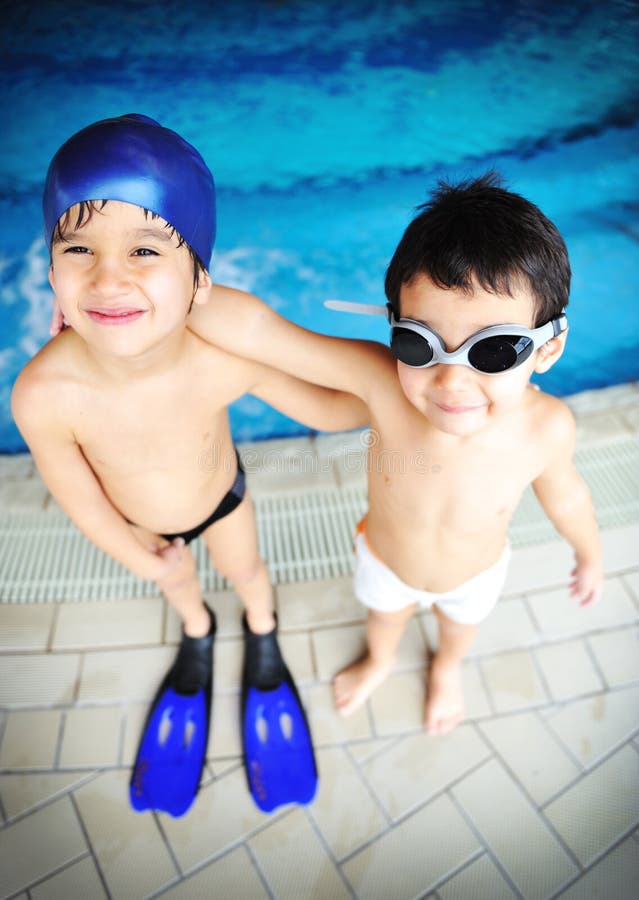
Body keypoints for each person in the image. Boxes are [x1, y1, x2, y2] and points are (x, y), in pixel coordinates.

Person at [12, 114, 368, 816]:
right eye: (77, 248)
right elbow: (80, 500)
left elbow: (331, 409)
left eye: (145, 251)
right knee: (178, 585)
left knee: (248, 571)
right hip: (139, 526)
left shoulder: (222, 358)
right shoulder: (44, 394)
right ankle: (197, 629)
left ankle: (261, 628)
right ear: (51, 270)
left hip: (222, 498)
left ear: (198, 279)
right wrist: (145, 560)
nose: (107, 278)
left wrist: (419, 380)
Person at [178, 172, 603, 735]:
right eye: (418, 344)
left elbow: (567, 497)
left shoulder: (546, 428)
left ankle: (447, 669)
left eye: (495, 350)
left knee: (459, 631)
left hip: (474, 574)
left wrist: (589, 553)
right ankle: (381, 660)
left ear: (547, 349)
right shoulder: (383, 386)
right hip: (387, 559)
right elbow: (263, 333)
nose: (451, 383)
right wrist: (162, 293)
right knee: (384, 619)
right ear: (392, 328)